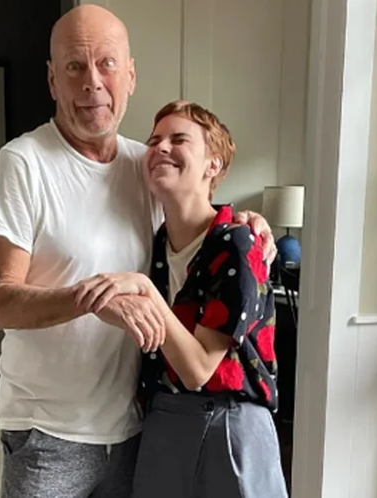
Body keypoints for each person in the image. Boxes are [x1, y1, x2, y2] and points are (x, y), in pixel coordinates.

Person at [0, 5, 277, 498]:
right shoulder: (22, 165)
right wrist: (92, 300)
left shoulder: (146, 165)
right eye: (74, 66)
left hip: (138, 427)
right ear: (52, 80)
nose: (92, 82)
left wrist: (248, 223)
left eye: (106, 63)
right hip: (49, 431)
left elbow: (196, 223)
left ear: (130, 75)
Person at [77, 101, 289, 497]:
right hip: (163, 422)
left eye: (179, 140)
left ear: (213, 165)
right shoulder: (157, 242)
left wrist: (144, 290)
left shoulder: (237, 243)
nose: (160, 147)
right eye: (154, 140)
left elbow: (198, 370)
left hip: (228, 424)